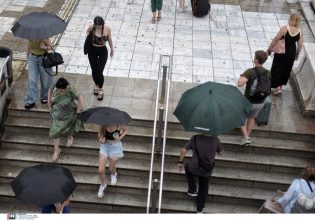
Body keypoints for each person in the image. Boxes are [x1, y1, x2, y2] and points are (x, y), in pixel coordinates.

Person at [177, 134, 224, 213]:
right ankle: (199, 209)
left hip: (194, 168)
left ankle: (192, 190)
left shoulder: (195, 138)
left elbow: (183, 150)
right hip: (207, 169)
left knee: (187, 167)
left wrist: (180, 162)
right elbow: (221, 153)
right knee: (204, 187)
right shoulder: (216, 139)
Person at [237, 50, 270, 146]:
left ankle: (246, 138)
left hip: (248, 101)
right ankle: (246, 137)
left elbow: (240, 84)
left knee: (240, 118)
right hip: (260, 102)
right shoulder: (268, 73)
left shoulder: (250, 71)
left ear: (256, 60)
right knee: (251, 118)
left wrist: (242, 77)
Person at [47, 77, 84, 161]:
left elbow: (80, 99)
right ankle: (56, 150)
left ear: (66, 87)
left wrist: (78, 112)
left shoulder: (71, 90)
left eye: (62, 91)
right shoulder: (55, 86)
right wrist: (49, 105)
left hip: (68, 112)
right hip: (57, 112)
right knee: (55, 131)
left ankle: (70, 137)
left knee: (70, 124)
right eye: (59, 90)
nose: (60, 92)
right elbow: (49, 92)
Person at [266, 13, 304, 95]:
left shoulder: (284, 29)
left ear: (290, 19)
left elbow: (276, 39)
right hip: (291, 53)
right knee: (286, 70)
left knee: (276, 68)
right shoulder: (300, 32)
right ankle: (279, 87)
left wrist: (269, 48)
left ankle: (269, 86)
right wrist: (297, 54)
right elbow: (300, 45)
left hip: (281, 52)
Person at [86, 16, 114, 101]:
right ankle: (97, 85)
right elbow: (87, 37)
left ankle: (101, 88)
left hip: (102, 50)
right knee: (94, 70)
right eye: (97, 26)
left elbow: (109, 39)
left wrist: (112, 49)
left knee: (99, 71)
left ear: (103, 23)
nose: (99, 27)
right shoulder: (91, 28)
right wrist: (88, 33)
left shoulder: (107, 29)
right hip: (92, 50)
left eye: (100, 26)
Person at [97, 124, 128, 198]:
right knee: (100, 170)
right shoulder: (103, 124)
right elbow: (99, 134)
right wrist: (100, 139)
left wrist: (120, 138)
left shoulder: (119, 124)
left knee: (111, 168)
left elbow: (126, 130)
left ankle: (114, 174)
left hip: (115, 147)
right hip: (105, 147)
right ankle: (103, 184)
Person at [24, 39, 54, 110]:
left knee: (45, 79)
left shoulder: (44, 36)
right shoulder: (30, 35)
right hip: (32, 59)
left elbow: (51, 47)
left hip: (44, 59)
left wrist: (44, 47)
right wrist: (27, 56)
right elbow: (28, 46)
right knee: (32, 79)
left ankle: (45, 96)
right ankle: (31, 100)